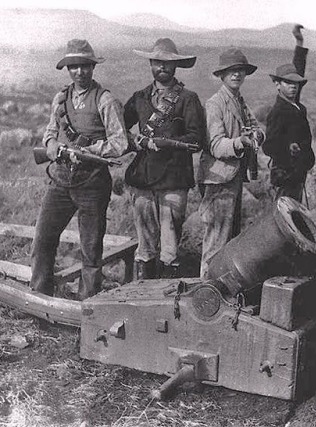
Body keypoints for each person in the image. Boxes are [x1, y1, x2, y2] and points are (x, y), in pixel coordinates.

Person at [30, 39, 128, 300]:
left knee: (91, 249)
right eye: (73, 66)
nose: (79, 72)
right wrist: (51, 145)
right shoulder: (60, 98)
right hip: (60, 180)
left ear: (92, 68)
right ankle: (40, 297)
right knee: (43, 239)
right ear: (68, 69)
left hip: (92, 183)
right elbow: (50, 132)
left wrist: (93, 151)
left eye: (84, 66)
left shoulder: (106, 100)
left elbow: (120, 143)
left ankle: (89, 306)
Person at [123, 38, 205, 279]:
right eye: (158, 62)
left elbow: (196, 139)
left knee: (169, 247)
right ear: (150, 63)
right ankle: (142, 296)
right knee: (145, 245)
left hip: (173, 179)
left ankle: (168, 300)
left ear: (176, 66)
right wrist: (133, 141)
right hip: (144, 179)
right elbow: (118, 129)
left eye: (168, 63)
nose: (163, 67)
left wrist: (166, 144)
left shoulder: (188, 99)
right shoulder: (139, 97)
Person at [197, 48, 265, 278]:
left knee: (229, 239)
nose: (237, 75)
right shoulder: (215, 104)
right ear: (222, 75)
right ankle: (206, 291)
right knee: (216, 241)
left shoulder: (239, 102)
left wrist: (257, 136)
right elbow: (216, 145)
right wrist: (240, 142)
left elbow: (256, 128)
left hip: (232, 178)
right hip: (218, 180)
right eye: (231, 71)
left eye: (240, 71)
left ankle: (219, 291)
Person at [263, 24, 314, 202]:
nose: (293, 86)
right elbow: (268, 146)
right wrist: (288, 147)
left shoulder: (294, 104)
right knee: (286, 216)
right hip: (285, 176)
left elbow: (298, 69)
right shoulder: (278, 112)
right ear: (277, 85)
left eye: (296, 83)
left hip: (298, 173)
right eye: (287, 83)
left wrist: (300, 42)